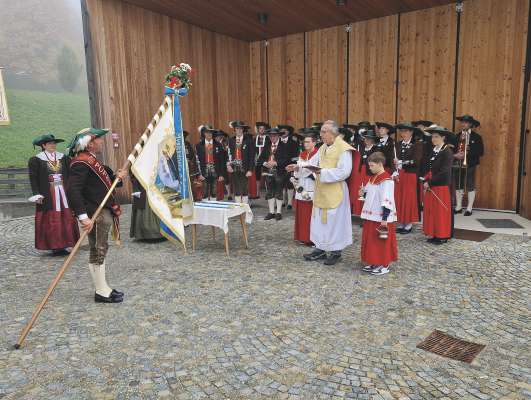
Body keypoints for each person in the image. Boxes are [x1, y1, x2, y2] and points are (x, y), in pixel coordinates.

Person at [67, 128, 126, 303]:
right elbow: (73, 190)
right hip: (96, 214)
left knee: (99, 249)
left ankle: (103, 287)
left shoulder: (92, 161)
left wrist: (119, 177)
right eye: (99, 139)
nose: (102, 142)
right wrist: (83, 217)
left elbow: (108, 182)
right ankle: (101, 291)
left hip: (102, 211)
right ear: (90, 143)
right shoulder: (80, 163)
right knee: (99, 249)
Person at [303, 121, 353, 266]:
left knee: (334, 222)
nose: (321, 134)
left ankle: (336, 251)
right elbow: (312, 163)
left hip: (335, 189)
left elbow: (344, 172)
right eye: (321, 132)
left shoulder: (344, 149)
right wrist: (299, 166)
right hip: (321, 189)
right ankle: (320, 248)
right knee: (319, 220)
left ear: (333, 133)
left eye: (324, 132)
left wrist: (322, 172)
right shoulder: (323, 147)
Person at [28, 133, 80, 255]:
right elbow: (33, 178)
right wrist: (36, 194)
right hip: (48, 194)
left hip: (64, 193)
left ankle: (66, 243)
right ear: (43, 145)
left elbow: (72, 171)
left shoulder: (63, 158)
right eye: (50, 143)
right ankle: (55, 246)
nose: (53, 145)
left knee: (66, 215)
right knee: (51, 218)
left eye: (54, 143)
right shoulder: (36, 160)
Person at [360, 152, 398, 275]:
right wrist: (363, 193)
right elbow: (370, 194)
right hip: (372, 215)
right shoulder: (373, 178)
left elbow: (387, 200)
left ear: (380, 164)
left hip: (381, 216)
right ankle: (374, 261)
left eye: (371, 165)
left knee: (382, 240)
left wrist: (385, 218)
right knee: (372, 240)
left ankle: (384, 264)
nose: (369, 168)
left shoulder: (386, 180)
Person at [422, 126, 454, 245]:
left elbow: (444, 171)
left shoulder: (447, 151)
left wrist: (430, 182)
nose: (433, 139)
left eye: (436, 137)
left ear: (443, 138)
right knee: (433, 211)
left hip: (441, 186)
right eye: (432, 137)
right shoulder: (434, 149)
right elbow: (430, 167)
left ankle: (442, 235)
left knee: (441, 212)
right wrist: (425, 178)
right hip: (432, 185)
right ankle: (434, 233)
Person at [286, 130, 319, 245]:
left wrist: (303, 169)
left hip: (312, 185)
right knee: (301, 213)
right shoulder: (302, 154)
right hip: (302, 184)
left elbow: (317, 169)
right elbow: (301, 169)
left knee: (311, 214)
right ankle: (302, 236)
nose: (306, 144)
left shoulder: (318, 154)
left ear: (314, 143)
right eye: (305, 142)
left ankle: (311, 238)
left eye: (308, 142)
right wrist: (295, 169)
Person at [393, 123, 424, 234]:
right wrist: (394, 171)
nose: (403, 133)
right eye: (402, 131)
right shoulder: (398, 144)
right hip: (400, 175)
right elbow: (394, 159)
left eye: (406, 131)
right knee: (400, 199)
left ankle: (409, 223)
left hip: (411, 175)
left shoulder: (417, 144)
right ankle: (401, 222)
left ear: (411, 132)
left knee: (409, 200)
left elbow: (416, 161)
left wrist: (402, 162)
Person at [453, 115, 484, 216]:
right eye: (462, 122)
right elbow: (452, 149)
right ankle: (458, 207)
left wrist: (467, 153)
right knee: (458, 184)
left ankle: (469, 208)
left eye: (466, 122)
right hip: (458, 163)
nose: (463, 124)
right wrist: (457, 155)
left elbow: (481, 152)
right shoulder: (456, 136)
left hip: (470, 164)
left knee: (470, 184)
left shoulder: (477, 137)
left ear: (470, 124)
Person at [257, 127, 288, 220]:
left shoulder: (284, 146)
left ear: (278, 136)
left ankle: (278, 212)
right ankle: (271, 212)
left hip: (279, 172)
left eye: (274, 136)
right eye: (271, 136)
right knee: (270, 192)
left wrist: (275, 163)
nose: (272, 138)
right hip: (268, 172)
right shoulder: (267, 145)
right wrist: (265, 163)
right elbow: (260, 159)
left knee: (278, 191)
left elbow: (286, 160)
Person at [227, 121, 255, 204]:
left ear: (243, 130)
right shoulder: (231, 140)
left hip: (245, 167)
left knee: (244, 188)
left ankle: (245, 208)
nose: (239, 130)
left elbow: (252, 156)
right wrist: (228, 165)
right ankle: (238, 208)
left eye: (240, 128)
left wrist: (250, 170)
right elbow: (228, 154)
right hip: (234, 167)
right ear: (234, 130)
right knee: (236, 188)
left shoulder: (249, 141)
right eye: (237, 128)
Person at [352, 128, 379, 215]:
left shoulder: (375, 149)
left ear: (372, 140)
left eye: (368, 139)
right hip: (362, 173)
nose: (366, 140)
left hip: (370, 174)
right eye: (365, 138)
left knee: (369, 192)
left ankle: (369, 213)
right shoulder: (362, 148)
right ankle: (362, 213)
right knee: (361, 191)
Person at [130, 173, 163, 240]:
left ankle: (159, 232)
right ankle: (146, 233)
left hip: (154, 184)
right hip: (142, 184)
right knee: (144, 208)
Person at [195, 125, 225, 200]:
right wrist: (199, 174)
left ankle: (213, 209)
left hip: (215, 170)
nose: (209, 134)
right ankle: (205, 210)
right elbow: (196, 160)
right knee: (204, 193)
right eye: (207, 132)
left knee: (214, 192)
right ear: (204, 134)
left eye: (210, 132)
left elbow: (222, 160)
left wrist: (221, 174)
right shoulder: (198, 146)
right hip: (203, 171)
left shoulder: (218, 145)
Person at [278, 125, 299, 210]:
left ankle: (290, 202)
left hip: (290, 166)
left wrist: (293, 164)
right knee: (281, 184)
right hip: (280, 166)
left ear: (288, 132)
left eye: (285, 130)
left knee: (290, 184)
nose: (283, 132)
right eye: (281, 130)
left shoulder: (294, 142)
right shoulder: (277, 142)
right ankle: (282, 201)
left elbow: (296, 155)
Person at [184, 130, 203, 201]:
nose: (184, 138)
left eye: (184, 137)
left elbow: (192, 155)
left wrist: (190, 160)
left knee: (191, 183)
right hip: (181, 168)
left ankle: (193, 197)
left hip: (189, 167)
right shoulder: (176, 145)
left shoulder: (188, 144)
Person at [253, 122, 270, 197]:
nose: (262, 130)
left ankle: (268, 192)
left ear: (265, 130)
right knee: (257, 176)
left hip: (266, 160)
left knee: (267, 175)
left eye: (263, 129)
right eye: (260, 128)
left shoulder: (268, 139)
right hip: (257, 160)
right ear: (258, 130)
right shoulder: (255, 139)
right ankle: (257, 192)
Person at [214, 130, 229, 200]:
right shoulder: (214, 143)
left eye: (220, 136)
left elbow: (226, 151)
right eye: (217, 136)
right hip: (218, 163)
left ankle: (228, 194)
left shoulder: (224, 142)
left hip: (225, 161)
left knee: (226, 179)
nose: (218, 137)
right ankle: (221, 194)